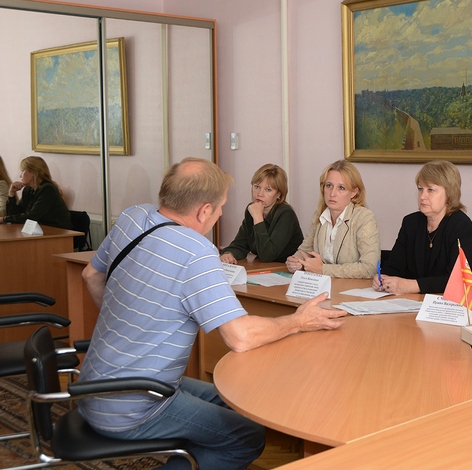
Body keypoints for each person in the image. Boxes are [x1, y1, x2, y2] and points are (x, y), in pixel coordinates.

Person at [79, 157, 347, 469]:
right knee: (245, 437)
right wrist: (300, 320)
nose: (221, 213)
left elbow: (91, 275)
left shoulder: (133, 216)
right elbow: (240, 337)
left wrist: (132, 327)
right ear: (204, 210)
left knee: (232, 395)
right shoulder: (196, 251)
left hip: (94, 386)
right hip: (135, 403)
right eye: (220, 207)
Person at [373, 160, 472, 294]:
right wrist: (383, 278)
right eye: (420, 189)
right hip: (410, 303)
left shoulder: (461, 226)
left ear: (449, 194)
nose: (422, 196)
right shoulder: (411, 223)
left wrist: (410, 286)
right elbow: (394, 266)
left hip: (447, 306)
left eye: (431, 190)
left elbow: (457, 280)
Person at [286, 160, 379, 278]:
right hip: (323, 286)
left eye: (341, 188)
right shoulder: (319, 216)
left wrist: (323, 269)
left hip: (350, 291)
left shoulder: (364, 218)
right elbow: (304, 251)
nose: (332, 193)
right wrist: (295, 261)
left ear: (354, 192)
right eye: (329, 186)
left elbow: (369, 268)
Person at [220, 163, 303, 263]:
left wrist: (258, 218)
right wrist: (229, 253)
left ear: (279, 195)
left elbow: (267, 255)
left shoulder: (286, 214)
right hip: (265, 269)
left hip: (287, 269)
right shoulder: (252, 209)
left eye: (268, 190)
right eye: (257, 187)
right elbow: (240, 244)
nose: (259, 194)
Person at [0, 156, 71, 229]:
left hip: (57, 232)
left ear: (33, 172)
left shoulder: (48, 189)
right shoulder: (28, 190)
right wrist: (11, 194)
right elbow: (16, 214)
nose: (20, 175)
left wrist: (4, 219)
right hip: (38, 230)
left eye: (22, 171)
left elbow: (32, 216)